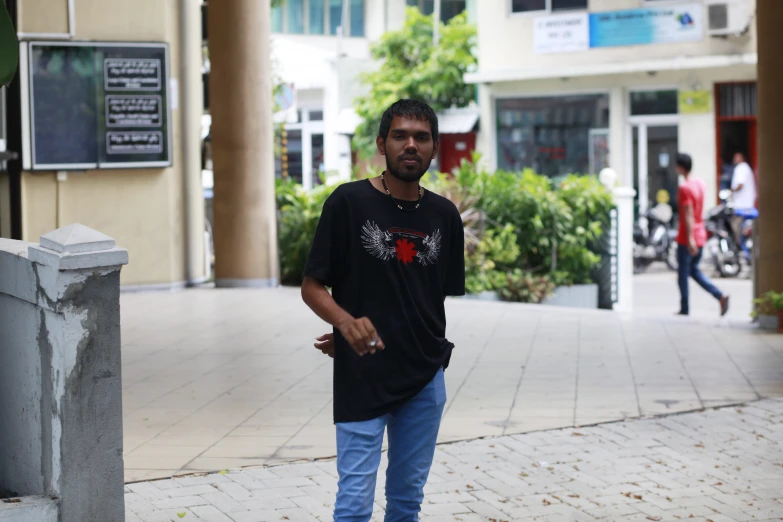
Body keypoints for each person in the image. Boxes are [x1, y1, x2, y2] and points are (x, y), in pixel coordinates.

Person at [301, 99, 465, 521]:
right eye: (400, 135)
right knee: (354, 504)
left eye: (421, 137)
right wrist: (346, 324)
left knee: (407, 502)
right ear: (381, 144)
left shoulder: (445, 216)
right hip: (364, 373)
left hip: (424, 377)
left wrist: (385, 327)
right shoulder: (348, 203)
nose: (410, 145)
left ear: (433, 148)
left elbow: (428, 297)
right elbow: (312, 286)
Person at [674, 153, 729, 317]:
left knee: (683, 274)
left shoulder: (685, 188)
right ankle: (720, 296)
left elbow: (688, 213)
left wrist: (689, 238)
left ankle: (685, 308)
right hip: (700, 233)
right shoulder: (700, 184)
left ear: (681, 167)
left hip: (687, 236)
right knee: (693, 271)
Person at [729, 151, 758, 243]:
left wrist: (731, 190)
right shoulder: (746, 168)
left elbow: (740, 184)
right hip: (748, 206)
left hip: (741, 207)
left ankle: (739, 248)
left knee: (737, 230)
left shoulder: (740, 168)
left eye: (736, 158)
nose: (734, 160)